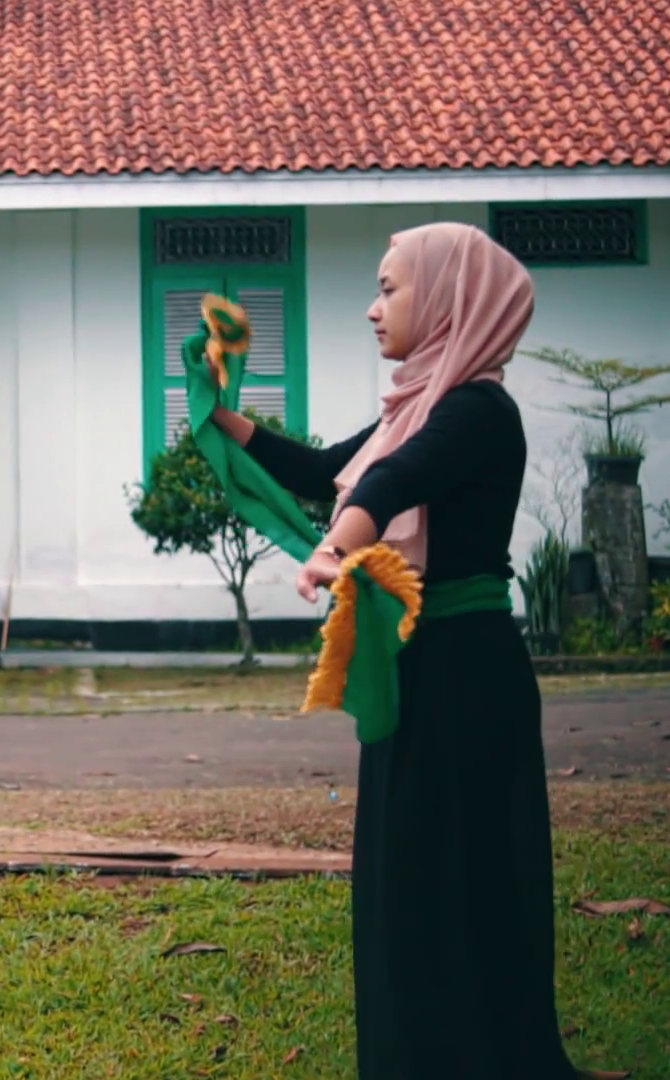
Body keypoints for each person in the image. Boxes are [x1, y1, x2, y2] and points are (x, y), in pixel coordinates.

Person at [208, 222, 577, 1078]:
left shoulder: (478, 411)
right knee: (406, 874)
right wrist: (217, 415)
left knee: (463, 876)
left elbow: (392, 483)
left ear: (448, 299)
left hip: (468, 676)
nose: (373, 310)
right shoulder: (413, 411)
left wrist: (334, 548)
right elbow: (324, 470)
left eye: (389, 289)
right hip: (418, 668)